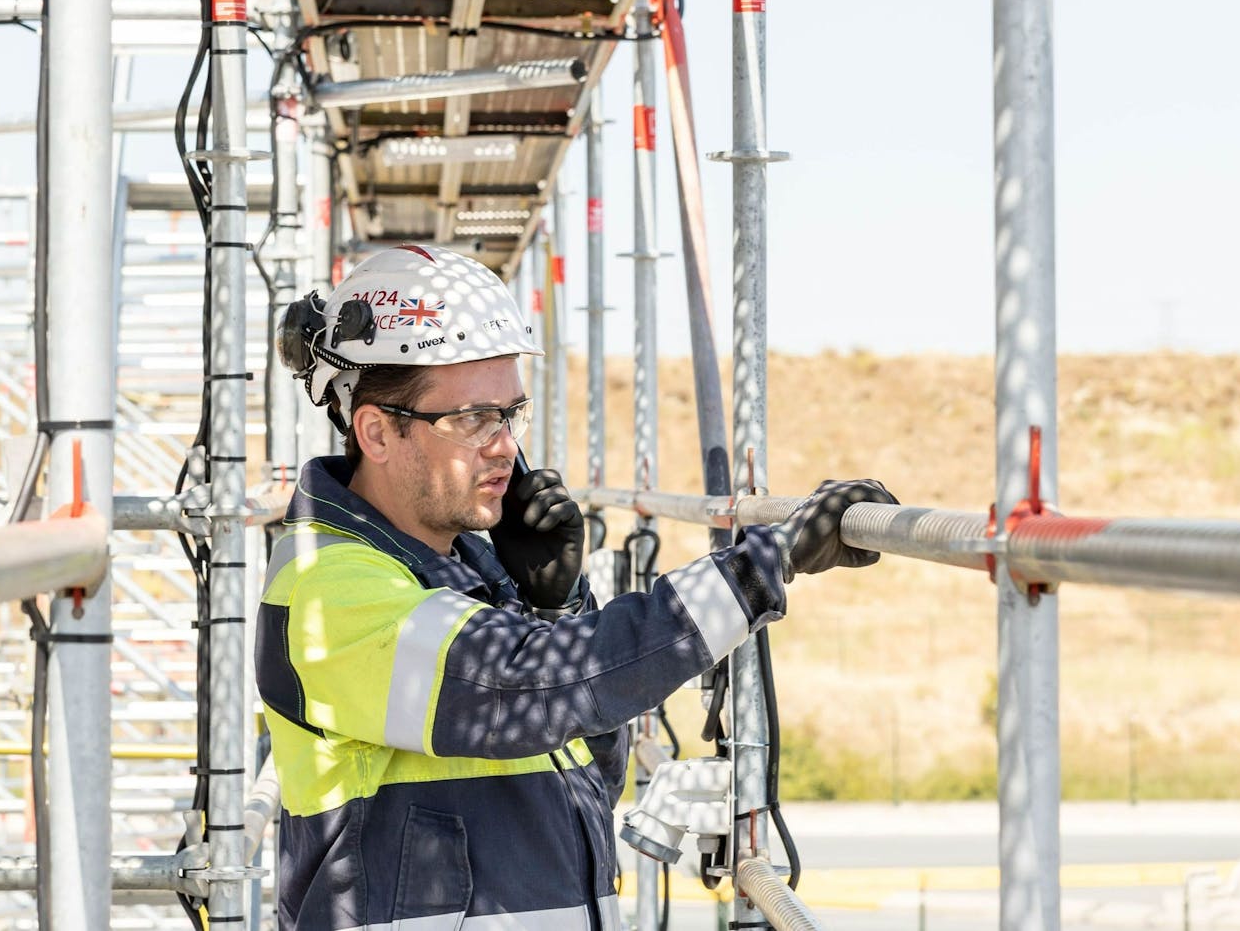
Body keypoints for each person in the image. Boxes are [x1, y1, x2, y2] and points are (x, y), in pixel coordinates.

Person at [259, 243, 896, 930]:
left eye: (511, 414)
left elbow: (591, 781)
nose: (505, 446)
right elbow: (541, 687)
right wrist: (765, 563)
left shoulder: (469, 569)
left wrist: (555, 603)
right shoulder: (329, 592)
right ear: (376, 431)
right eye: (474, 417)